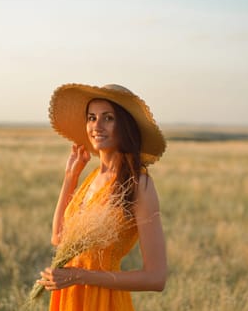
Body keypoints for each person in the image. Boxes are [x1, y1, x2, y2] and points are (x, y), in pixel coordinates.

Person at [38, 83, 167, 311]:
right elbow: (59, 239)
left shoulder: (139, 184)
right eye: (91, 118)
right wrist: (71, 177)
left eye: (108, 118)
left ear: (125, 126)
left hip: (103, 302)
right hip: (69, 299)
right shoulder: (93, 177)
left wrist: (82, 276)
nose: (96, 126)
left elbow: (156, 278)